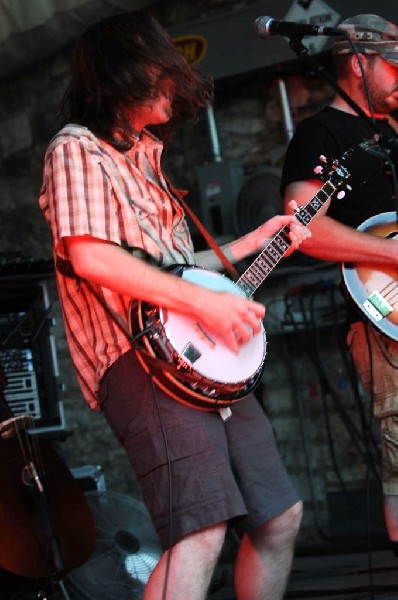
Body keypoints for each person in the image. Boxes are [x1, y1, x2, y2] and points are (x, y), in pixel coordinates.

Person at [39, 10, 310, 599]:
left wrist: (251, 243)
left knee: (278, 516)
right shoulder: (76, 149)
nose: (172, 84)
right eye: (159, 70)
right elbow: (93, 258)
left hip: (203, 362)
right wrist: (198, 301)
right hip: (138, 362)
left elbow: (180, 273)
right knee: (202, 528)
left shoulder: (149, 162)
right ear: (121, 74)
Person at [281, 13, 398, 548]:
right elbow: (303, 229)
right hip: (384, 323)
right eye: (393, 66)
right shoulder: (321, 133)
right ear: (358, 63)